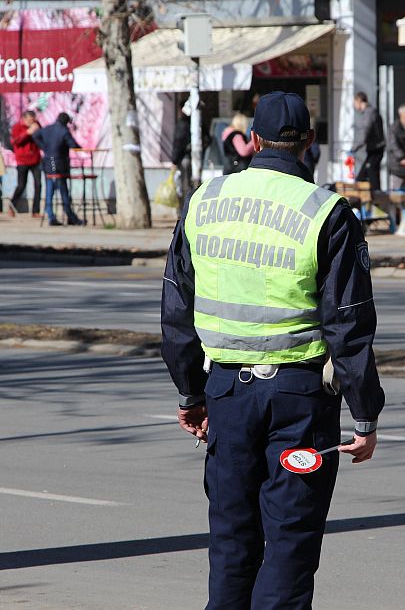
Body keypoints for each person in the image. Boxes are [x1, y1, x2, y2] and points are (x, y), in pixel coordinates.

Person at [161, 91, 384, 609]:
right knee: (289, 545)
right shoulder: (327, 213)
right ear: (308, 143)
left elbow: (176, 314)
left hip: (227, 396)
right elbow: (349, 326)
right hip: (300, 402)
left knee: (232, 544)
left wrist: (190, 394)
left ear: (253, 141)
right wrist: (365, 416)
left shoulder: (204, 202)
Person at [33, 112, 84, 226]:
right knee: (62, 189)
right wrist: (80, 148)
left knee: (49, 188)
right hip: (58, 163)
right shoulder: (64, 131)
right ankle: (70, 215)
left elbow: (35, 135)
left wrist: (44, 147)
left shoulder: (47, 129)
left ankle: (51, 215)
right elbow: (73, 145)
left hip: (48, 160)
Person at [9, 111, 42, 217]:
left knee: (38, 184)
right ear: (24, 119)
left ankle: (35, 210)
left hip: (35, 160)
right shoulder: (17, 127)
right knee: (21, 185)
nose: (31, 122)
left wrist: (38, 130)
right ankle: (12, 206)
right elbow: (16, 141)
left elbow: (41, 138)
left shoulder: (36, 126)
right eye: (29, 120)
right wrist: (27, 133)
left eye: (32, 120)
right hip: (22, 160)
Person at [352, 91, 385, 190]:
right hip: (373, 149)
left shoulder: (369, 113)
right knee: (365, 175)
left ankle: (376, 199)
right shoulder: (370, 112)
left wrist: (353, 148)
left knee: (370, 172)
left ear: (359, 101)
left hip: (376, 149)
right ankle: (371, 199)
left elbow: (364, 134)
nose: (354, 105)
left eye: (354, 102)